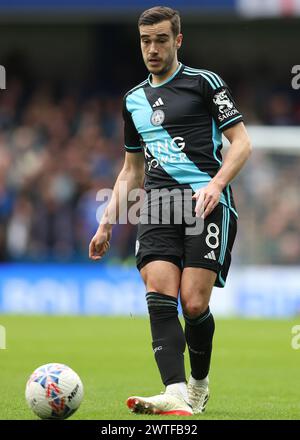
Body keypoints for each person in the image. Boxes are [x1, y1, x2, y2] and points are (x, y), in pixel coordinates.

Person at [89, 6, 251, 416]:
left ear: (178, 41)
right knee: (159, 293)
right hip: (159, 202)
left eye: (161, 40)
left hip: (205, 200)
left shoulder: (204, 83)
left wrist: (217, 185)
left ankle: (198, 384)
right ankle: (174, 391)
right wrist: (107, 223)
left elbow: (242, 143)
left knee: (194, 303)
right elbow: (132, 170)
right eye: (146, 41)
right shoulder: (132, 101)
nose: (153, 48)